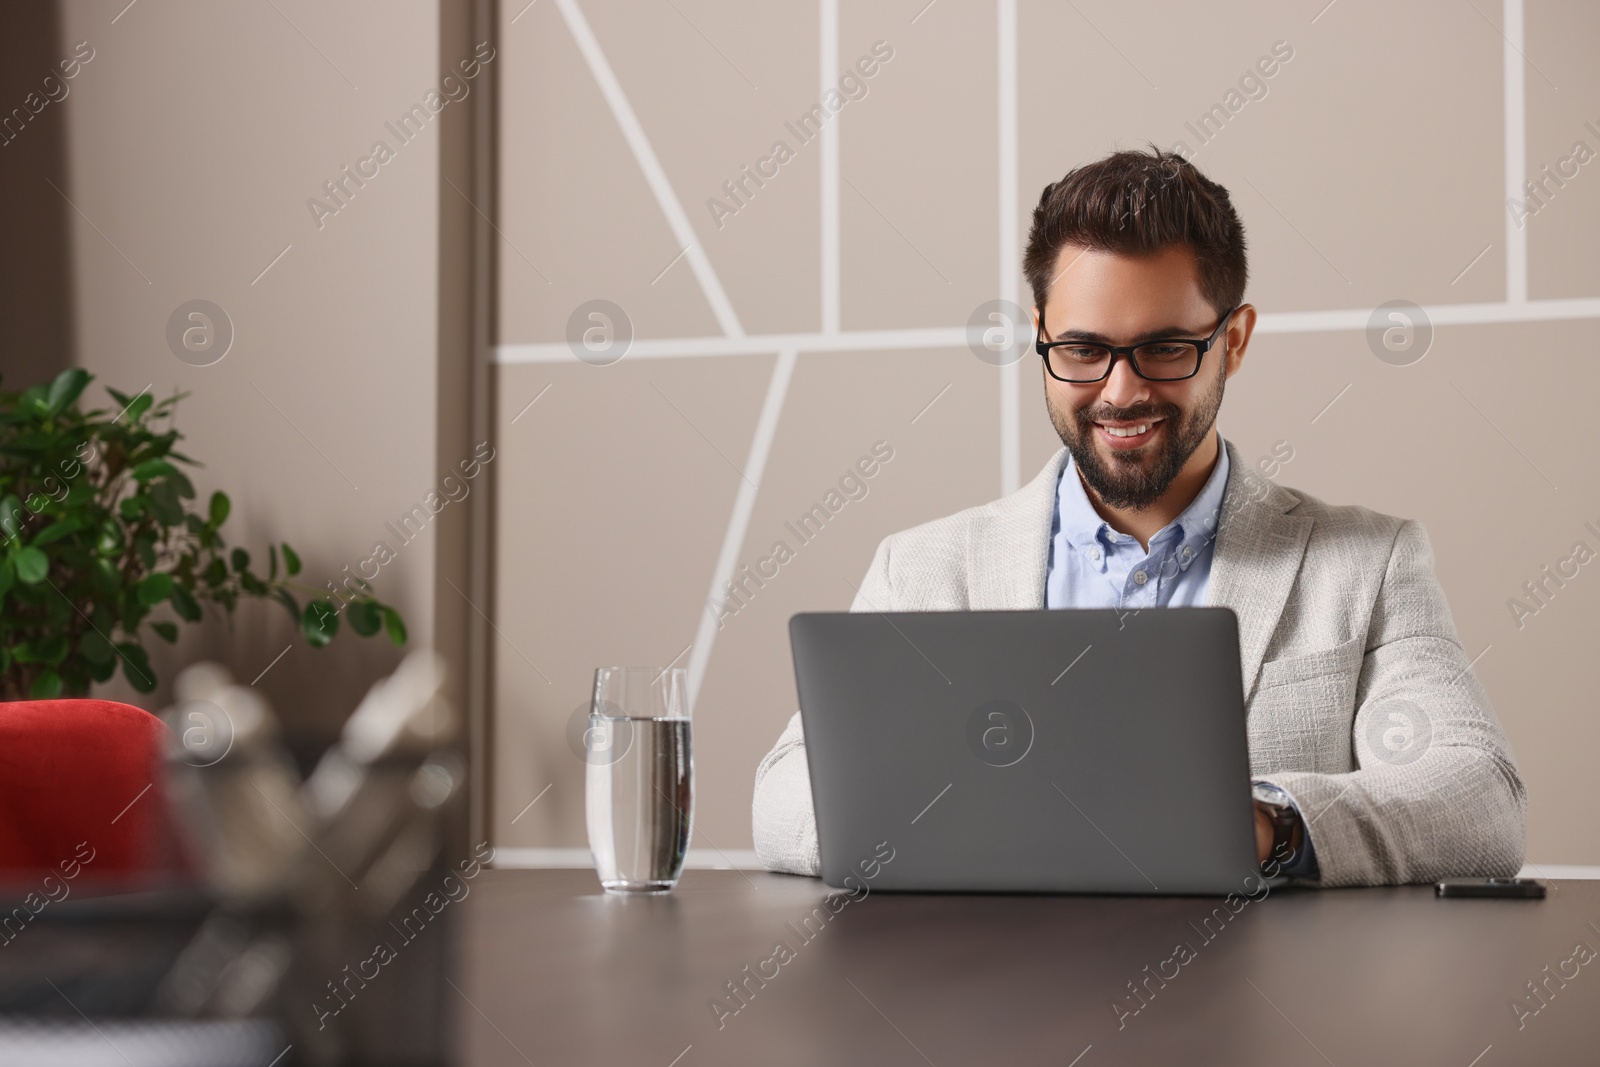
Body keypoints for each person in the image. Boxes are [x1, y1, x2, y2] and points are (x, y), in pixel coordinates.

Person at [751, 146, 1526, 888]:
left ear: (1236, 339)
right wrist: (982, 814)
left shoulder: (1366, 561)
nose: (1120, 392)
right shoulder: (921, 567)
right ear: (1041, 337)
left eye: (1163, 348)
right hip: (993, 1010)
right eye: (1084, 350)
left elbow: (1478, 800)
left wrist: (1262, 822)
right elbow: (785, 795)